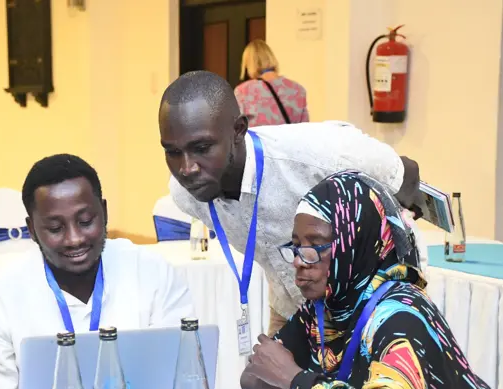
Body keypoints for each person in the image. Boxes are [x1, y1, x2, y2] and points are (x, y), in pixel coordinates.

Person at [241, 171, 503, 389]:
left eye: (315, 246)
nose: (300, 262)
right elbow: (254, 376)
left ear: (356, 243)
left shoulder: (401, 313)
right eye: (296, 246)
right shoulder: (327, 308)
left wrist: (298, 383)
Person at [158, 70, 424, 337]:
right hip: (292, 309)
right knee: (261, 377)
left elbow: (405, 173)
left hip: (368, 310)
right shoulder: (185, 194)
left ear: (238, 130)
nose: (187, 168)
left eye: (202, 148)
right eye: (172, 152)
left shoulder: (317, 154)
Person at [0, 154, 194, 389]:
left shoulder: (152, 272)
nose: (74, 238)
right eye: (55, 228)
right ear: (31, 229)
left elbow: (186, 372)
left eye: (86, 221)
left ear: (104, 212)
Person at [234, 39, 309, 127]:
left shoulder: (243, 91)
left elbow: (235, 130)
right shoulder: (298, 89)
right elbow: (305, 128)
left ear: (248, 65)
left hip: (258, 141)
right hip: (290, 141)